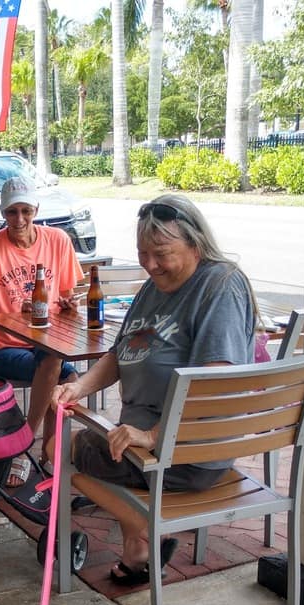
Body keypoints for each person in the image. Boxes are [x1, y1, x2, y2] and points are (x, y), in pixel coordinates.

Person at [50, 194, 259, 582]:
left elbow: (215, 384)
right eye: (142, 253)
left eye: (160, 253)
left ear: (195, 243)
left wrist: (151, 434)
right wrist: (79, 387)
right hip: (147, 443)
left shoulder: (220, 285)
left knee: (60, 450)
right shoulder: (154, 286)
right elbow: (121, 352)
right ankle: (139, 546)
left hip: (185, 452)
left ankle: (145, 531)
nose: (149, 264)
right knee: (86, 445)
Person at [0, 176, 82, 487]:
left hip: (50, 344)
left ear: (37, 209)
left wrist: (69, 305)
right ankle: (24, 445)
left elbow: (69, 299)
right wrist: (19, 315)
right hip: (5, 349)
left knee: (68, 379)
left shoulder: (58, 241)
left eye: (26, 211)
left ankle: (47, 452)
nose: (19, 220)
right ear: (2, 213)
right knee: (57, 367)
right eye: (11, 212)